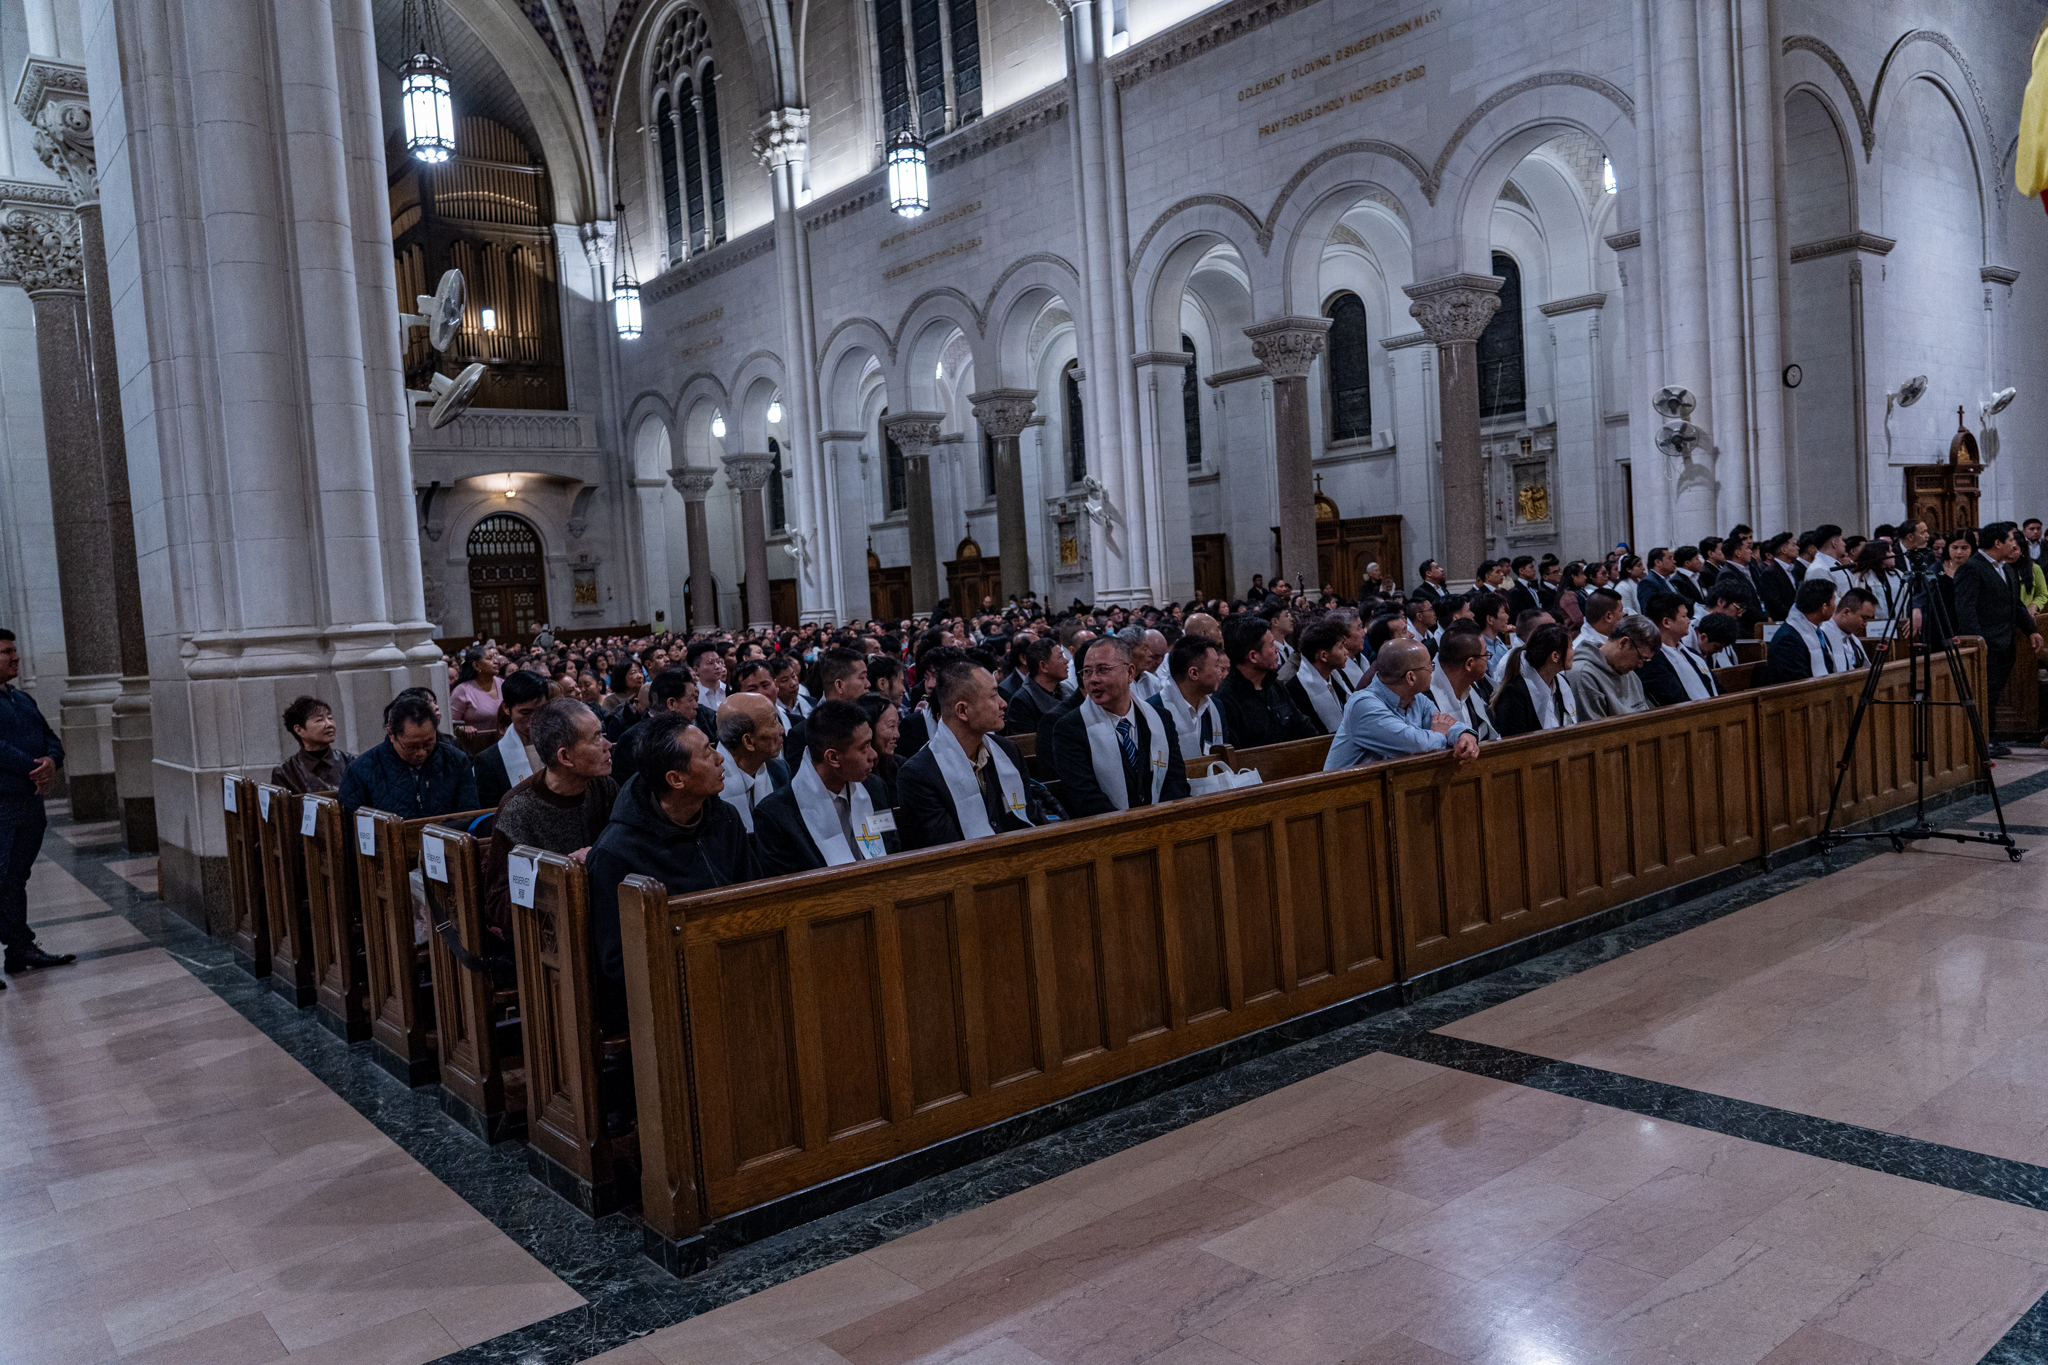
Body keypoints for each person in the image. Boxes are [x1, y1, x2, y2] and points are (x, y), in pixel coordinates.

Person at [585, 713, 754, 1030]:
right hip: (666, 997)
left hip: (735, 967)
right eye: (707, 752)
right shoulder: (616, 852)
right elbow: (617, 960)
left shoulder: (725, 818)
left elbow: (754, 896)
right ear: (676, 779)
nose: (720, 758)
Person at [897, 654, 1064, 848]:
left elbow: (1029, 818)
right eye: (993, 696)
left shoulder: (1008, 751)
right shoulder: (918, 775)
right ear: (963, 711)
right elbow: (945, 849)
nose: (1003, 703)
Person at [483, 699, 616, 939]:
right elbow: (498, 903)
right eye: (596, 738)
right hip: (551, 937)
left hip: (603, 921)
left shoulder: (604, 786)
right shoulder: (519, 809)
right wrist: (558, 873)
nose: (608, 745)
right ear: (565, 757)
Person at [753, 699, 900, 874]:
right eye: (864, 747)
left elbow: (892, 847)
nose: (873, 755)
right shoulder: (776, 815)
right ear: (833, 758)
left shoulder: (874, 788)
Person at [1051, 636, 1191, 816]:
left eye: (1103, 670)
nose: (1093, 679)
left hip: (1163, 823)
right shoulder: (1070, 729)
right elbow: (1086, 799)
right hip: (1107, 828)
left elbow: (1176, 782)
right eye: (1087, 671)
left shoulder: (1161, 719)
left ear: (1130, 673)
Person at [0, 630, 70, 979]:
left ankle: (19, 949)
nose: (16, 657)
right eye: (6, 651)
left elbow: (50, 737)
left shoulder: (22, 699)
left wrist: (52, 761)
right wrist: (35, 768)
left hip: (30, 804)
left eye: (15, 650)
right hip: (2, 803)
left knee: (16, 878)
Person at [1955, 521, 2044, 753]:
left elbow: (2016, 605)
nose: (2014, 545)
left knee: (1994, 693)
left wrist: (2032, 630)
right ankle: (1983, 740)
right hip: (1987, 643)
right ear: (1997, 543)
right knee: (1985, 693)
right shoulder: (1972, 568)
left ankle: (1991, 736)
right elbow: (1966, 610)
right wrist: (1977, 641)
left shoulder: (2006, 568)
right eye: (2011, 540)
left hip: (2006, 641)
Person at [1323, 639, 1479, 769]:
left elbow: (1445, 723)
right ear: (1411, 677)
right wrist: (1440, 735)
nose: (1432, 670)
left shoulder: (1417, 698)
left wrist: (1465, 736)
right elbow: (1413, 744)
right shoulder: (1363, 705)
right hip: (1346, 792)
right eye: (1429, 666)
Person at [338, 693, 480, 816]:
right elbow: (353, 826)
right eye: (412, 746)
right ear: (391, 734)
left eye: (428, 743)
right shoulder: (361, 770)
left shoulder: (455, 760)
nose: (421, 752)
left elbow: (469, 814)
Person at [1213, 614, 1316, 749]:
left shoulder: (1275, 686)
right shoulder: (1226, 699)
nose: (1277, 650)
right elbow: (1235, 754)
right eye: (1272, 645)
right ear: (1253, 656)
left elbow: (1304, 729)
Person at [714, 693, 791, 834]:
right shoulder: (710, 788)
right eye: (774, 722)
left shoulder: (779, 771)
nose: (782, 730)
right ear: (748, 741)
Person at [610, 667, 703, 781]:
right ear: (671, 703)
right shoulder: (632, 740)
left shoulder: (690, 729)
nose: (696, 705)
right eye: (691, 699)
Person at [473, 669, 550, 807]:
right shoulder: (489, 761)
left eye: (540, 711)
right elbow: (491, 812)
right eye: (525, 712)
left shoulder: (563, 744)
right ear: (506, 708)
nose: (533, 720)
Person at [1149, 633, 1230, 759]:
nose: (1220, 672)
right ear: (1194, 673)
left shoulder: (1216, 707)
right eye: (1216, 666)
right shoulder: (1153, 711)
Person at [1566, 614, 1659, 719]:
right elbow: (1596, 728)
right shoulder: (1583, 675)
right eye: (1640, 657)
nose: (1640, 665)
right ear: (1623, 643)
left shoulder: (1630, 675)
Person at [1493, 624, 1579, 736]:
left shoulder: (1562, 682)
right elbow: (1514, 742)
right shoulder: (1514, 694)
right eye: (1570, 647)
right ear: (1555, 656)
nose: (1573, 652)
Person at [787, 648, 870, 759]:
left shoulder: (869, 719)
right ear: (839, 685)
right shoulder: (802, 735)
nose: (868, 684)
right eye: (862, 677)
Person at [1638, 594, 1720, 706]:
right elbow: (1672, 699)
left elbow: (1714, 687)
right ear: (1666, 622)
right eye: (1684, 616)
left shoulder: (1692, 654)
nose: (1689, 621)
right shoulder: (1651, 660)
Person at [1283, 615, 1354, 735]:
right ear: (1323, 656)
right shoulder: (1294, 691)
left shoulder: (1338, 677)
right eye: (1341, 647)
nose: (1346, 652)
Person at [271, 695, 354, 794]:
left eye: (330, 718)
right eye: (319, 720)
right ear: (299, 730)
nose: (329, 724)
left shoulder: (350, 762)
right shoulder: (285, 772)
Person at [1766, 577, 1840, 684]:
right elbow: (1796, 683)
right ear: (1824, 607)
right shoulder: (1788, 640)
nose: (1835, 606)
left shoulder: (1817, 631)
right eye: (1833, 600)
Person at [1429, 630, 1499, 741]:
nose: (1487, 658)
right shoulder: (1427, 699)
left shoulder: (1470, 687)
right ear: (1469, 664)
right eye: (1485, 654)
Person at [1003, 636, 1071, 737]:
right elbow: (1026, 743)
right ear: (1043, 666)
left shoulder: (1068, 691)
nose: (1066, 661)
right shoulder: (1021, 702)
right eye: (1060, 657)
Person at [854, 691, 905, 804]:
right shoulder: (856, 775)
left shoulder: (900, 767)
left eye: (897, 725)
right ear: (868, 726)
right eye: (891, 726)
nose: (897, 735)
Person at [451, 647, 504, 743]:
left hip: (504, 743)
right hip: (475, 746)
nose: (496, 661)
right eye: (489, 658)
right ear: (476, 666)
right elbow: (451, 724)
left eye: (495, 657)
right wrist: (463, 728)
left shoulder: (503, 684)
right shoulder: (463, 690)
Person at [1823, 587, 1879, 671]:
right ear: (1846, 612)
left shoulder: (1854, 640)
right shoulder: (1823, 634)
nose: (1866, 624)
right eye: (1864, 618)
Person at [1758, 533, 1802, 621]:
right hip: (1783, 621)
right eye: (1793, 545)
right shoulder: (1770, 573)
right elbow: (1774, 603)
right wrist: (1793, 617)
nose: (1797, 548)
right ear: (1784, 550)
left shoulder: (1794, 570)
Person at [687, 640, 729, 710]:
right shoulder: (694, 695)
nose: (717, 666)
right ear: (696, 670)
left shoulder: (728, 690)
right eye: (710, 663)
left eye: (718, 661)